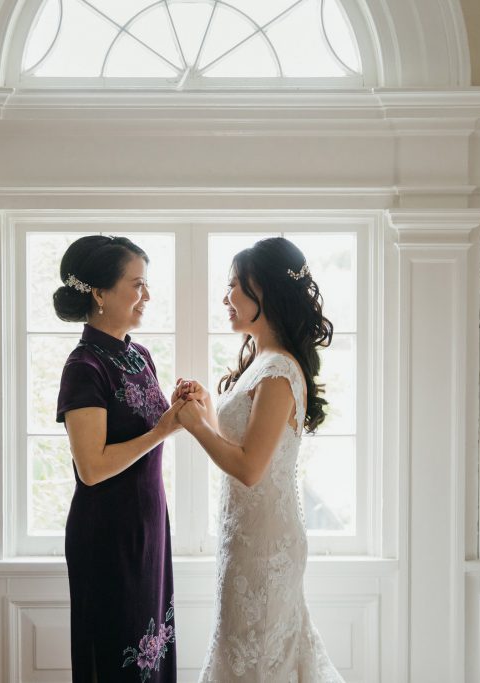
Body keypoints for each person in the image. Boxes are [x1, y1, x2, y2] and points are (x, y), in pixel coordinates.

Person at [174, 236, 343, 682]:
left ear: (262, 291)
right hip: (244, 534)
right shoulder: (261, 360)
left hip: (265, 545)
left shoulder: (279, 372)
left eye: (234, 285)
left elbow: (250, 468)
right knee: (246, 650)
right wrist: (206, 407)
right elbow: (239, 440)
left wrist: (196, 426)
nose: (225, 297)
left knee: (258, 656)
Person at [54, 235, 184, 683]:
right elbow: (91, 468)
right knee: (112, 658)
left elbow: (150, 426)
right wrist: (163, 428)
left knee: (153, 651)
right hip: (107, 534)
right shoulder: (84, 367)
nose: (146, 295)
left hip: (149, 525)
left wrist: (178, 410)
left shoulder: (139, 355)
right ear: (100, 293)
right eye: (137, 284)